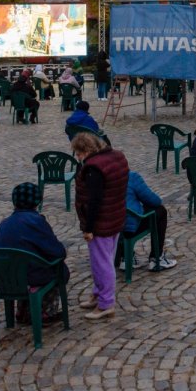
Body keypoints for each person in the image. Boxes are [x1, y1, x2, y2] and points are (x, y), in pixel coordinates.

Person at [71, 131, 129, 320]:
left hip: (101, 222)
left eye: (78, 154)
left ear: (86, 150)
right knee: (104, 260)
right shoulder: (117, 157)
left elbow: (94, 199)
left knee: (102, 263)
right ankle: (98, 294)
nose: (78, 158)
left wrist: (88, 228)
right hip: (116, 215)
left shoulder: (93, 168)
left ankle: (106, 303)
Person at [0, 183, 69, 323]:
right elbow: (57, 252)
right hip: (29, 278)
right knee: (59, 269)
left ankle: (23, 310)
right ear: (37, 201)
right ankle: (44, 313)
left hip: (4, 279)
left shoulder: (4, 224)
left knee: (25, 266)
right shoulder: (37, 221)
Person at [119, 170, 176, 272]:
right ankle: (156, 258)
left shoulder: (101, 180)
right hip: (129, 227)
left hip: (110, 229)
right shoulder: (131, 177)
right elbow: (154, 200)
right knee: (160, 211)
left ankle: (126, 257)